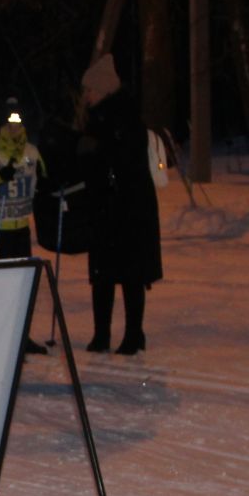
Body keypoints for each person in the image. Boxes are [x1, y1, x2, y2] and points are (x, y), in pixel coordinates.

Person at [76, 54, 162, 355]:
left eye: (90, 89)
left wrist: (95, 153)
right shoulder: (99, 120)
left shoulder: (123, 119)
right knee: (104, 273)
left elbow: (124, 161)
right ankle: (103, 335)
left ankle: (132, 334)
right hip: (107, 207)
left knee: (129, 274)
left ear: (103, 89)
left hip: (128, 209)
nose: (86, 95)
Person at [0, 96, 50, 355]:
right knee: (0, 286)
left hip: (21, 229)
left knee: (22, 285)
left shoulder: (31, 153)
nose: (14, 127)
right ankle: (0, 340)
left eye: (17, 121)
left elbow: (44, 181)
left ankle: (22, 336)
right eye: (9, 122)